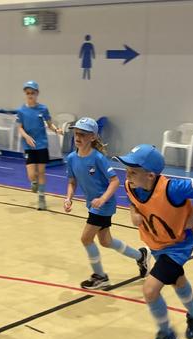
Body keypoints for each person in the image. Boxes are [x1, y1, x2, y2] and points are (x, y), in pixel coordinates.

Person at [116, 144, 193, 339]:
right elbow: (132, 200)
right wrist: (132, 212)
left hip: (177, 246)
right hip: (155, 244)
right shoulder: (132, 185)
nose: (127, 175)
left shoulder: (173, 188)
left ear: (150, 175)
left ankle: (166, 334)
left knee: (150, 290)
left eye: (133, 171)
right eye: (127, 170)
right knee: (177, 280)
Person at [64, 118, 149, 290]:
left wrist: (103, 199)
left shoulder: (98, 158)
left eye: (83, 134)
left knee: (86, 238)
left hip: (104, 205)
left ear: (93, 137)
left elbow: (115, 181)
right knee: (105, 241)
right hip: (93, 205)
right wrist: (69, 198)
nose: (78, 137)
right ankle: (140, 256)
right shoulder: (72, 158)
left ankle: (100, 276)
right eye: (76, 133)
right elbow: (72, 182)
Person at [16, 80, 62, 210]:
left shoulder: (43, 109)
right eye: (28, 93)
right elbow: (19, 128)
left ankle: (42, 198)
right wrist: (26, 136)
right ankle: (34, 182)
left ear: (37, 93)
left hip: (42, 144)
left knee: (41, 172)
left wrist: (56, 129)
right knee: (31, 174)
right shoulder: (21, 110)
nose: (30, 95)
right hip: (28, 146)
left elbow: (49, 124)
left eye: (33, 93)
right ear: (26, 94)